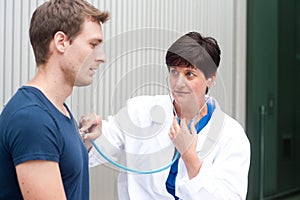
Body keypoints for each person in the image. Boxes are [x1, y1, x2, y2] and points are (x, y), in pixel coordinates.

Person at [81, 32, 250, 199]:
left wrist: (189, 156)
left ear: (210, 79)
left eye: (189, 74)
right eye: (174, 72)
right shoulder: (140, 111)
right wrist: (91, 137)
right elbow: (95, 151)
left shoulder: (231, 135)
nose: (178, 83)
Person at [0, 0, 109, 199]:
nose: (101, 57)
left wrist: (83, 145)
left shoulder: (55, 110)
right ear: (61, 42)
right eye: (93, 45)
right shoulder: (32, 118)